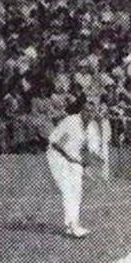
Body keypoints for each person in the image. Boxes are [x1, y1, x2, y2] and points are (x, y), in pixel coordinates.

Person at [45, 91, 91, 239]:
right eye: (88, 110)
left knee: (77, 189)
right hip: (56, 156)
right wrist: (72, 159)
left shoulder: (89, 126)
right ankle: (71, 225)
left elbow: (83, 148)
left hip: (71, 158)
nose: (91, 113)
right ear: (82, 110)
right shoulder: (71, 122)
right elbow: (57, 144)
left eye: (93, 111)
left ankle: (73, 224)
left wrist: (83, 163)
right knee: (68, 189)